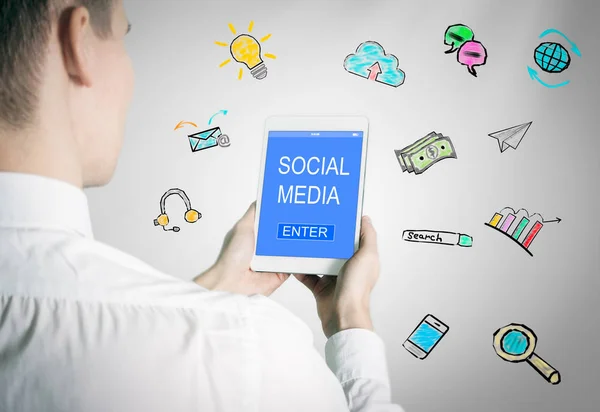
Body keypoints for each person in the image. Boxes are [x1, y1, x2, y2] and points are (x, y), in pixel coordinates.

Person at [0, 1, 404, 411]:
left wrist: (214, 290)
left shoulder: (222, 336)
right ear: (78, 42)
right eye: (125, 37)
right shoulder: (251, 348)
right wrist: (350, 317)